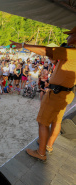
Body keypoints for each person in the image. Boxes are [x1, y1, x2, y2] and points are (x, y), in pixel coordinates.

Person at [10, 27, 76, 161]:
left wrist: (23, 45)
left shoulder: (72, 52)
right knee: (56, 121)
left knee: (42, 122)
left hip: (56, 94)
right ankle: (48, 145)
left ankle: (41, 153)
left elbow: (45, 50)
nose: (67, 38)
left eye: (70, 35)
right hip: (65, 93)